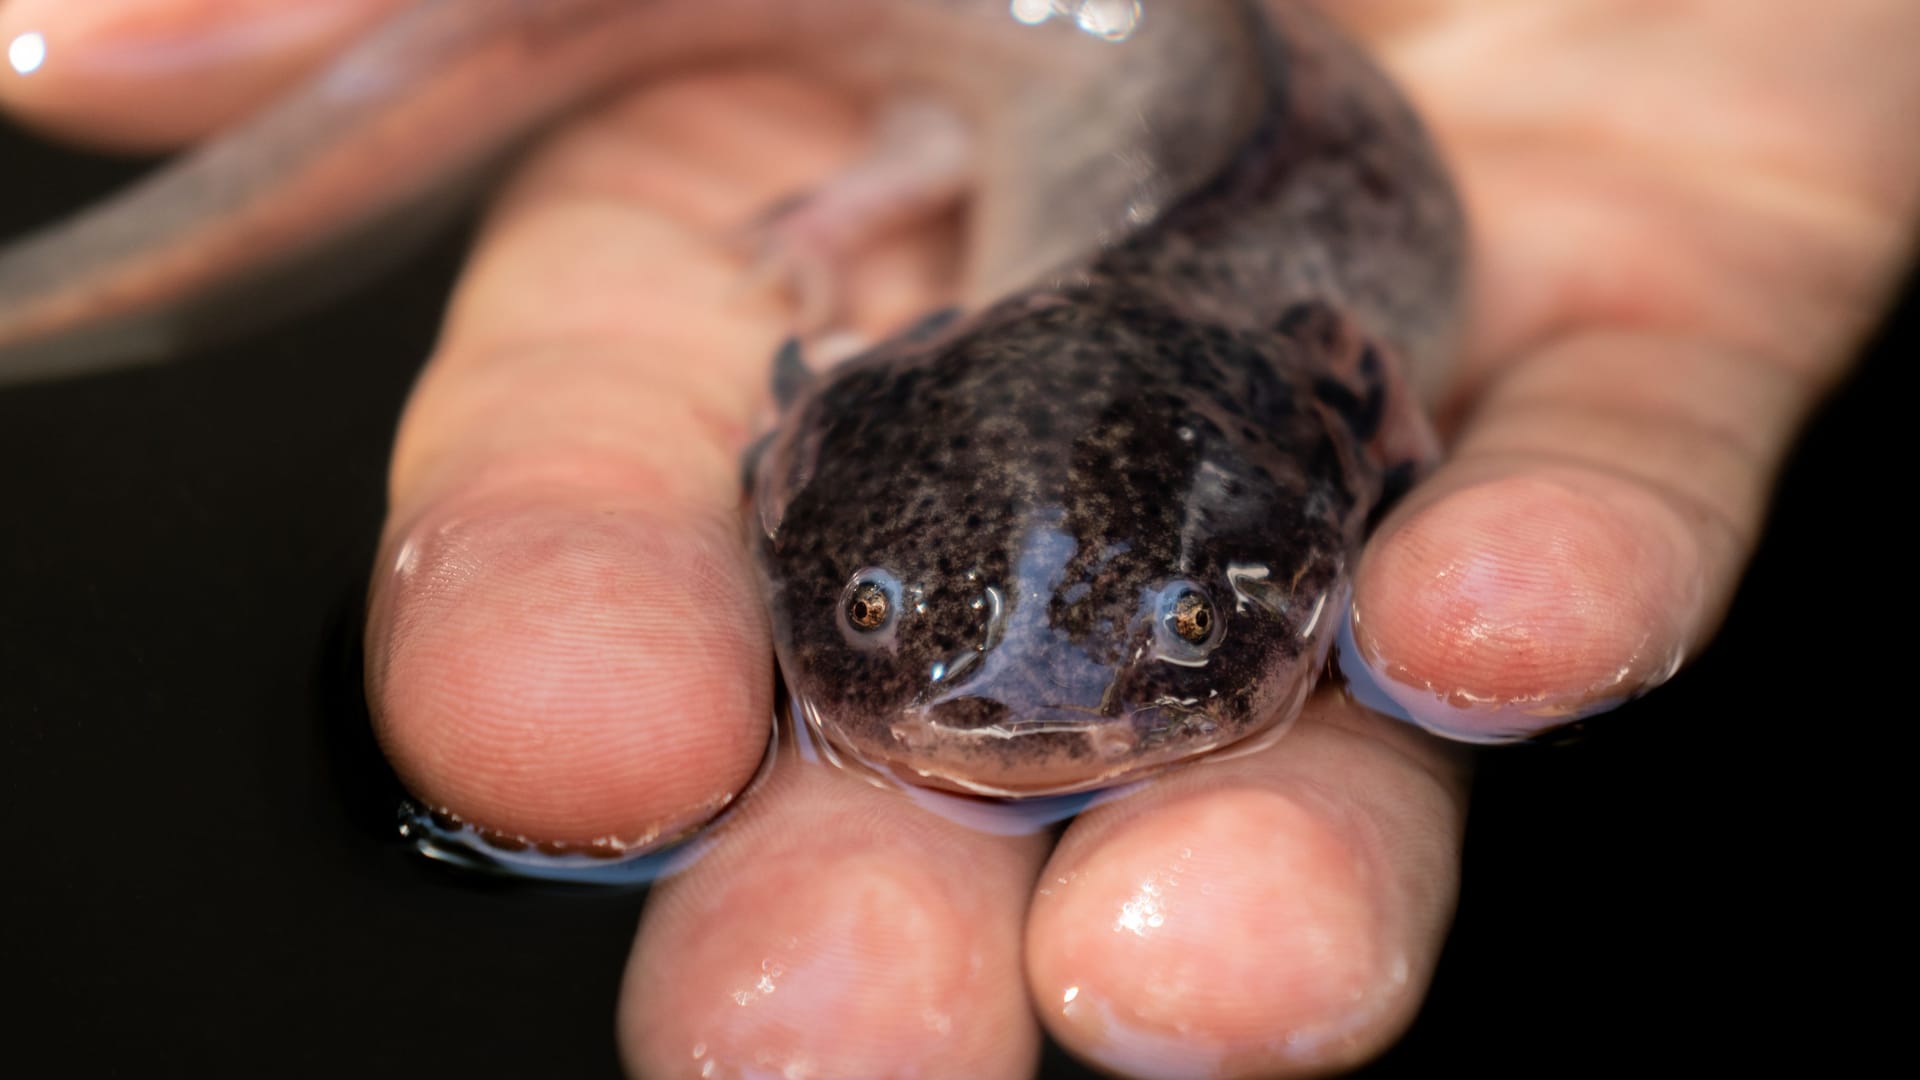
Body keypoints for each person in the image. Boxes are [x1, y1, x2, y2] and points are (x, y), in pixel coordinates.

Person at [3, 1, 1911, 1076]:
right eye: (879, 608)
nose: (1026, 711)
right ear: (813, 422)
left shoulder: (1323, 373)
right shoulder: (968, 378)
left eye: (1178, 630)